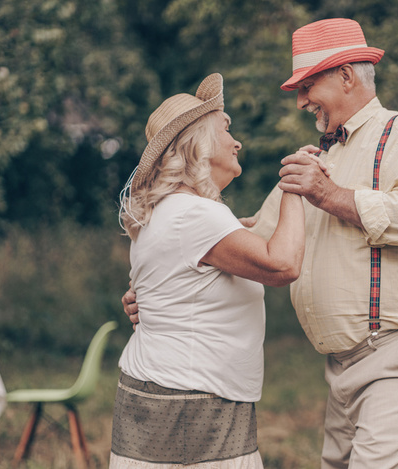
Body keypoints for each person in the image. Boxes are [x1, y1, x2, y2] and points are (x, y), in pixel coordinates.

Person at [124, 19, 398, 468]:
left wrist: (331, 196)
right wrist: (163, 284)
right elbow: (245, 238)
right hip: (343, 365)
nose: (301, 100)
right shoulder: (317, 158)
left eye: (307, 85)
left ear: (346, 76)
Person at [111, 73, 310, 469]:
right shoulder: (195, 214)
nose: (237, 141)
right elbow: (283, 264)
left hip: (166, 390)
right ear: (198, 143)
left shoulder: (167, 212)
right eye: (226, 128)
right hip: (193, 397)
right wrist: (294, 187)